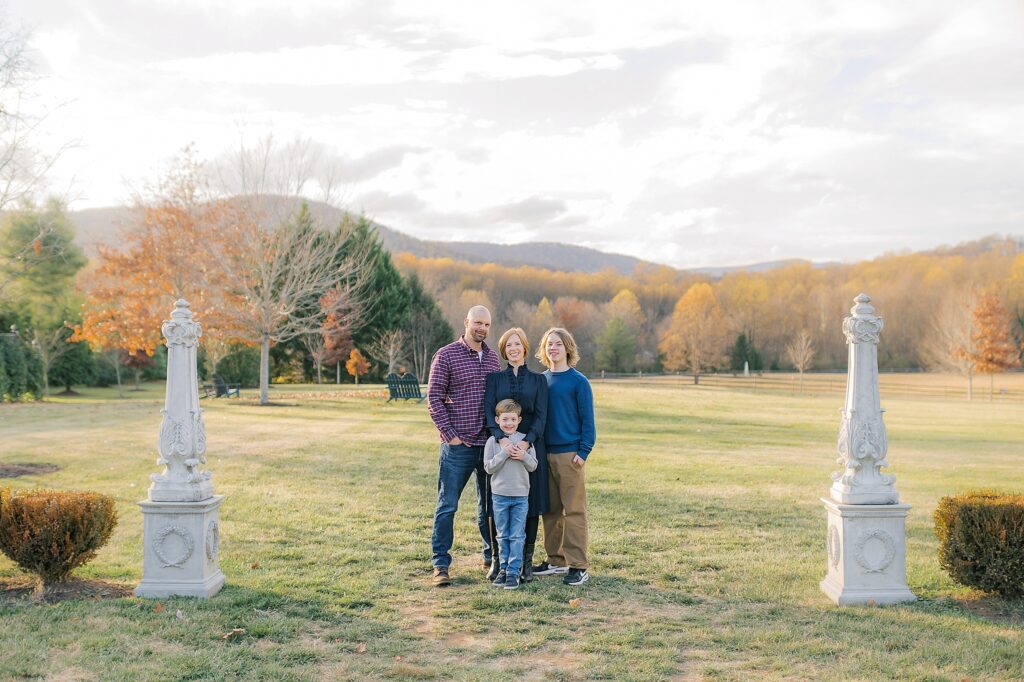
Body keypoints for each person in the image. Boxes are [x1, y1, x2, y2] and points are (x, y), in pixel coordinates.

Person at [427, 305, 502, 587]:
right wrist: (451, 435)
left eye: (486, 324)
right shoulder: (447, 355)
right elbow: (434, 398)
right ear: (466, 322)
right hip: (457, 446)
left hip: (487, 446)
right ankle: (440, 565)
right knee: (447, 506)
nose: (482, 328)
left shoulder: (493, 359)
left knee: (489, 508)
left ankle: (489, 556)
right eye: (477, 322)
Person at [532, 327, 596, 586]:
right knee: (551, 511)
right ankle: (555, 560)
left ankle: (578, 565)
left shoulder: (578, 381)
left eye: (557, 344)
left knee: (574, 511)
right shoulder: (542, 380)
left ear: (567, 347)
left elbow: (587, 421)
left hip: (570, 456)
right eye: (549, 344)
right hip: (545, 455)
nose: (553, 348)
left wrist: (583, 452)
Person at [483, 327, 548, 582]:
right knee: (496, 502)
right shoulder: (494, 379)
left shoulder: (538, 381)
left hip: (530, 445)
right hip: (499, 445)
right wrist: (501, 439)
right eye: (508, 345)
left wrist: (527, 443)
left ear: (524, 347)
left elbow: (542, 415)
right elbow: (489, 412)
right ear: (503, 350)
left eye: (517, 344)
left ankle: (525, 563)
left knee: (531, 503)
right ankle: (499, 561)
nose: (513, 349)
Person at [483, 399, 538, 590]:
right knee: (502, 535)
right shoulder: (493, 441)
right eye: (505, 419)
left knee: (516, 535)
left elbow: (533, 466)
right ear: (497, 420)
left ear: (519, 420)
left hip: (521, 495)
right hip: (499, 495)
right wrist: (504, 454)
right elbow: (488, 468)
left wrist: (523, 456)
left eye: (513, 419)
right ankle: (503, 569)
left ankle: (514, 571)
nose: (509, 423)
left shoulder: (525, 442)